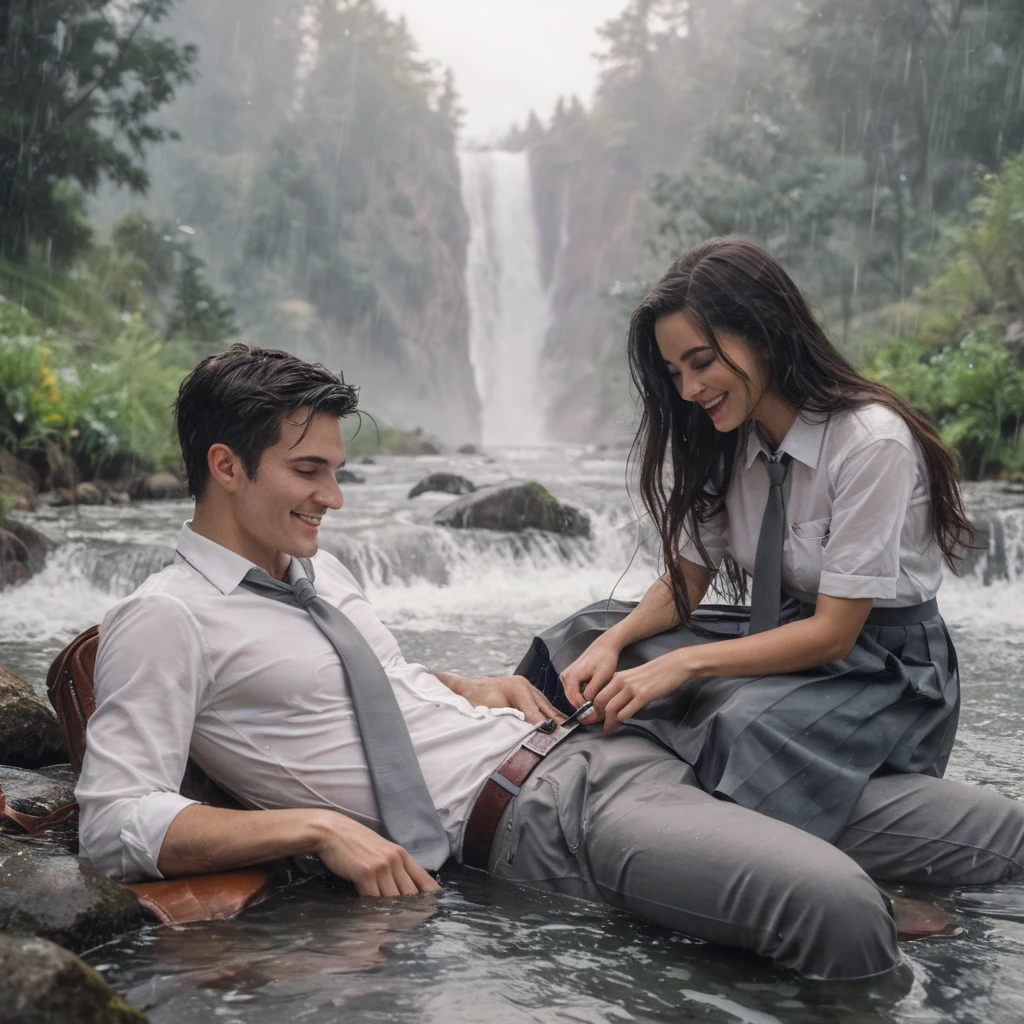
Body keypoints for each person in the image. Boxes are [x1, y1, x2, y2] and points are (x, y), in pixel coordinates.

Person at [76, 342, 1019, 985]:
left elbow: (350, 693)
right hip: (547, 810)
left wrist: (463, 685)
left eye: (337, 470)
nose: (333, 497)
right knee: (838, 909)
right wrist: (316, 828)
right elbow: (116, 820)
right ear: (226, 466)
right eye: (309, 471)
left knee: (1001, 838)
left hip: (632, 736)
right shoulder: (165, 617)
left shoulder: (320, 571)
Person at [533, 236, 1023, 866]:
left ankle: (836, 879)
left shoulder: (872, 443)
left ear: (763, 333)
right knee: (584, 631)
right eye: (675, 372)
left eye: (701, 361)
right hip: (785, 631)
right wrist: (613, 643)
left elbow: (833, 636)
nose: (688, 389)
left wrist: (681, 668)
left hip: (886, 669)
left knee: (743, 720)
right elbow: (685, 580)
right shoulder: (727, 438)